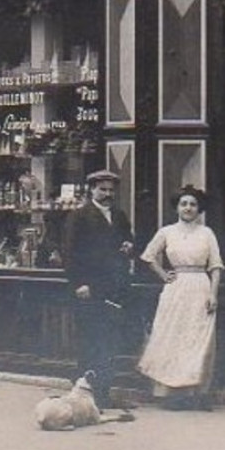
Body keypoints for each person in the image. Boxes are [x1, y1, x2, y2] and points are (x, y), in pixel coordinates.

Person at [135, 186, 225, 409]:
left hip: (200, 287)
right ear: (177, 207)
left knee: (198, 339)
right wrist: (163, 274)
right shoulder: (167, 231)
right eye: (184, 204)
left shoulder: (207, 233)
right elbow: (148, 256)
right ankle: (171, 393)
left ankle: (196, 393)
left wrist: (213, 294)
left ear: (199, 209)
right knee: (173, 336)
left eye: (193, 204)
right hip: (176, 289)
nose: (188, 208)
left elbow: (215, 266)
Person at [62, 168, 139, 409]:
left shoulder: (119, 215)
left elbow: (129, 242)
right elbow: (70, 252)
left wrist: (129, 246)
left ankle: (103, 393)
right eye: (102, 189)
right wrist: (79, 283)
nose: (107, 194)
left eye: (110, 190)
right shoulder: (80, 216)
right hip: (90, 288)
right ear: (92, 190)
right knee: (90, 340)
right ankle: (85, 394)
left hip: (115, 286)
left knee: (110, 340)